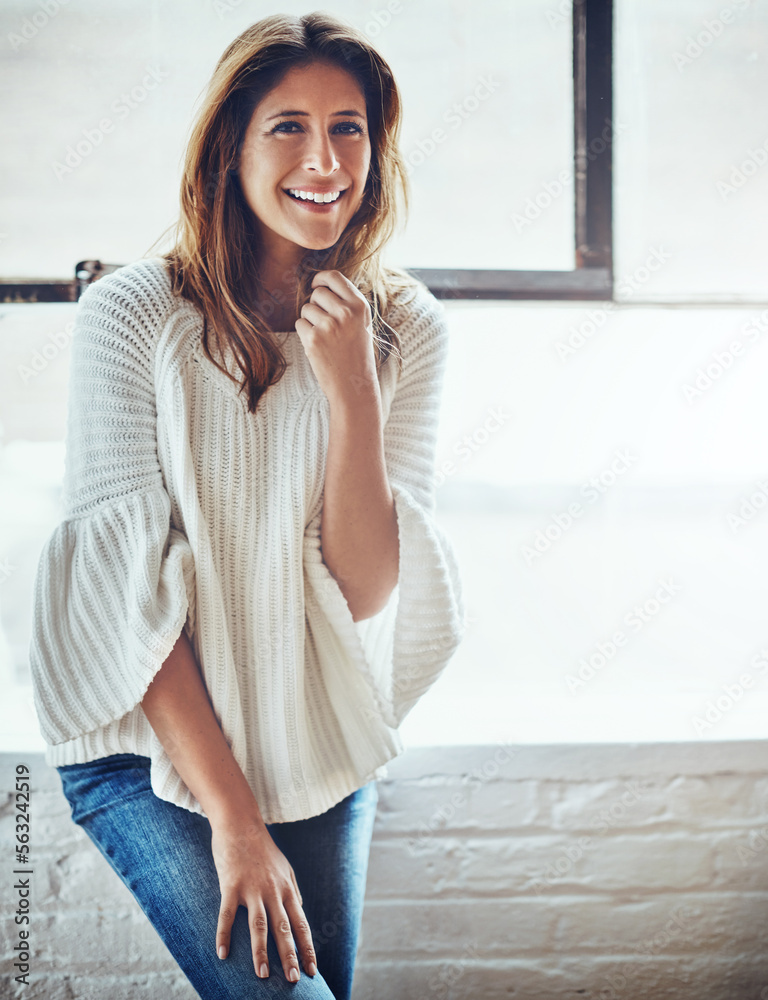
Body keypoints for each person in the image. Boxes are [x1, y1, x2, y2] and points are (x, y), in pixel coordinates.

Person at [29, 11, 465, 1000]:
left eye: (348, 126)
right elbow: (122, 599)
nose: (325, 159)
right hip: (150, 748)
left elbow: (360, 592)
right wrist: (234, 823)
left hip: (314, 736)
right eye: (288, 127)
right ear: (229, 146)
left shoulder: (405, 329)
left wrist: (352, 391)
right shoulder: (132, 316)